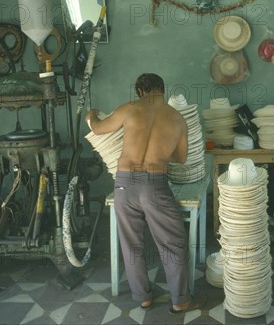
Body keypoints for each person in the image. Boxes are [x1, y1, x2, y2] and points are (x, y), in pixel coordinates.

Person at [85, 73, 204, 314]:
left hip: (124, 184)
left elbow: (97, 129)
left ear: (140, 91)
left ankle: (143, 297)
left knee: (132, 245)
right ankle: (180, 299)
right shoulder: (178, 118)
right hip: (155, 185)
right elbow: (180, 159)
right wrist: (160, 148)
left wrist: (92, 114)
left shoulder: (129, 109)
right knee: (172, 243)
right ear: (162, 90)